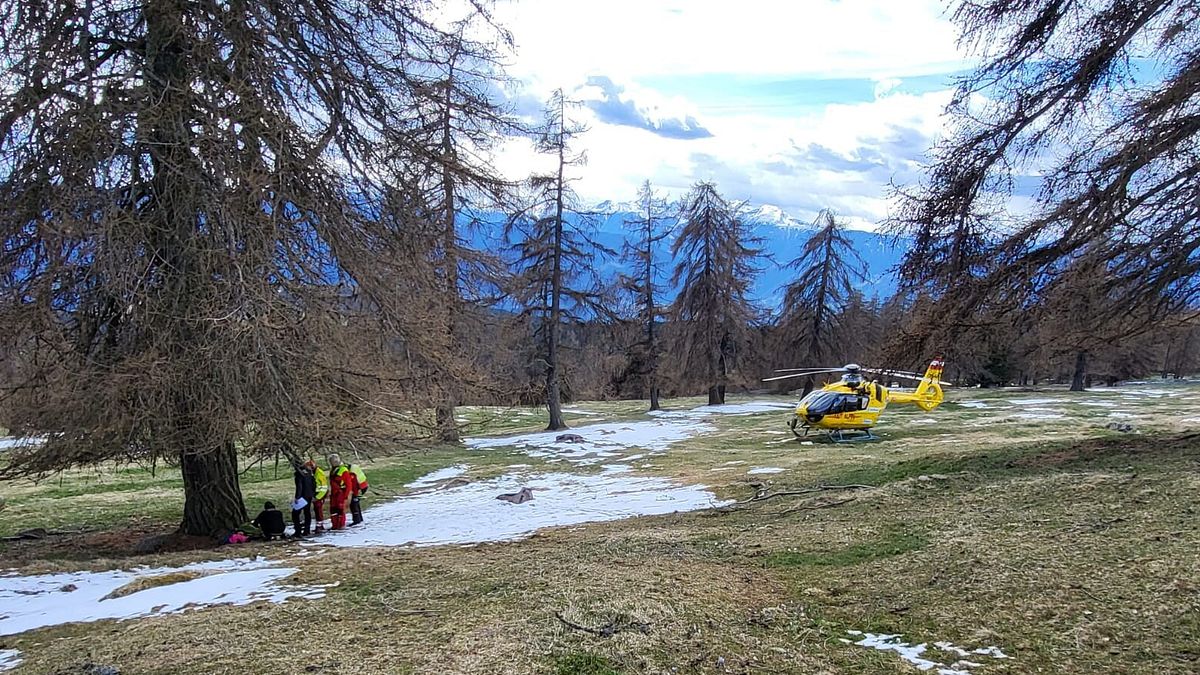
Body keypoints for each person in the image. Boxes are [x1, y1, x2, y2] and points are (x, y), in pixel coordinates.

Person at [327, 453, 358, 531]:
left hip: (341, 493)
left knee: (340, 510)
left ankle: (341, 525)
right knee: (333, 510)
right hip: (334, 494)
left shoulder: (343, 470)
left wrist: (347, 496)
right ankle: (335, 525)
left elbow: (348, 484)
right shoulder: (333, 469)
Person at [292, 460, 316, 537]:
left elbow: (299, 486)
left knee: (295, 513)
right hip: (309, 496)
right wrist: (313, 494)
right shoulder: (310, 474)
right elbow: (314, 484)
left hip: (302, 496)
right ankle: (307, 530)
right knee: (307, 512)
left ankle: (298, 530)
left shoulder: (300, 474)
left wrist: (297, 497)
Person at [309, 460, 329, 532]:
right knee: (317, 511)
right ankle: (319, 526)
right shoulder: (315, 473)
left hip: (319, 495)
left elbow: (323, 487)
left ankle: (320, 526)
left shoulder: (319, 473)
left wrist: (318, 497)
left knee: (318, 511)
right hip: (317, 495)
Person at [348, 462, 369, 526]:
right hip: (364, 485)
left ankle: (357, 520)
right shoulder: (354, 466)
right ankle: (359, 518)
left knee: (354, 503)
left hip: (360, 487)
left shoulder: (351, 472)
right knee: (356, 502)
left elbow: (354, 483)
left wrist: (354, 492)